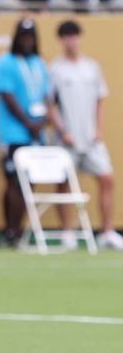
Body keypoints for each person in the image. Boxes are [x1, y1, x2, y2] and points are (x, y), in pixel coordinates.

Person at [47, 20, 123, 249]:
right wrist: (63, 131)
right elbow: (50, 106)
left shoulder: (92, 67)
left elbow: (100, 100)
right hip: (66, 139)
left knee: (107, 179)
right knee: (64, 184)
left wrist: (98, 129)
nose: (71, 41)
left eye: (75, 36)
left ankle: (107, 232)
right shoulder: (55, 69)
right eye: (67, 37)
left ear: (80, 38)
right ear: (61, 40)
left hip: (91, 139)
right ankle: (67, 233)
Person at [0, 17, 50, 246]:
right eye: (24, 36)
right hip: (14, 133)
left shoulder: (39, 63)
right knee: (14, 182)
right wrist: (28, 122)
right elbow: (6, 95)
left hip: (36, 134)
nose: (27, 41)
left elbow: (46, 96)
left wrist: (42, 121)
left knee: (29, 183)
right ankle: (11, 231)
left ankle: (20, 229)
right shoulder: (7, 62)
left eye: (31, 37)